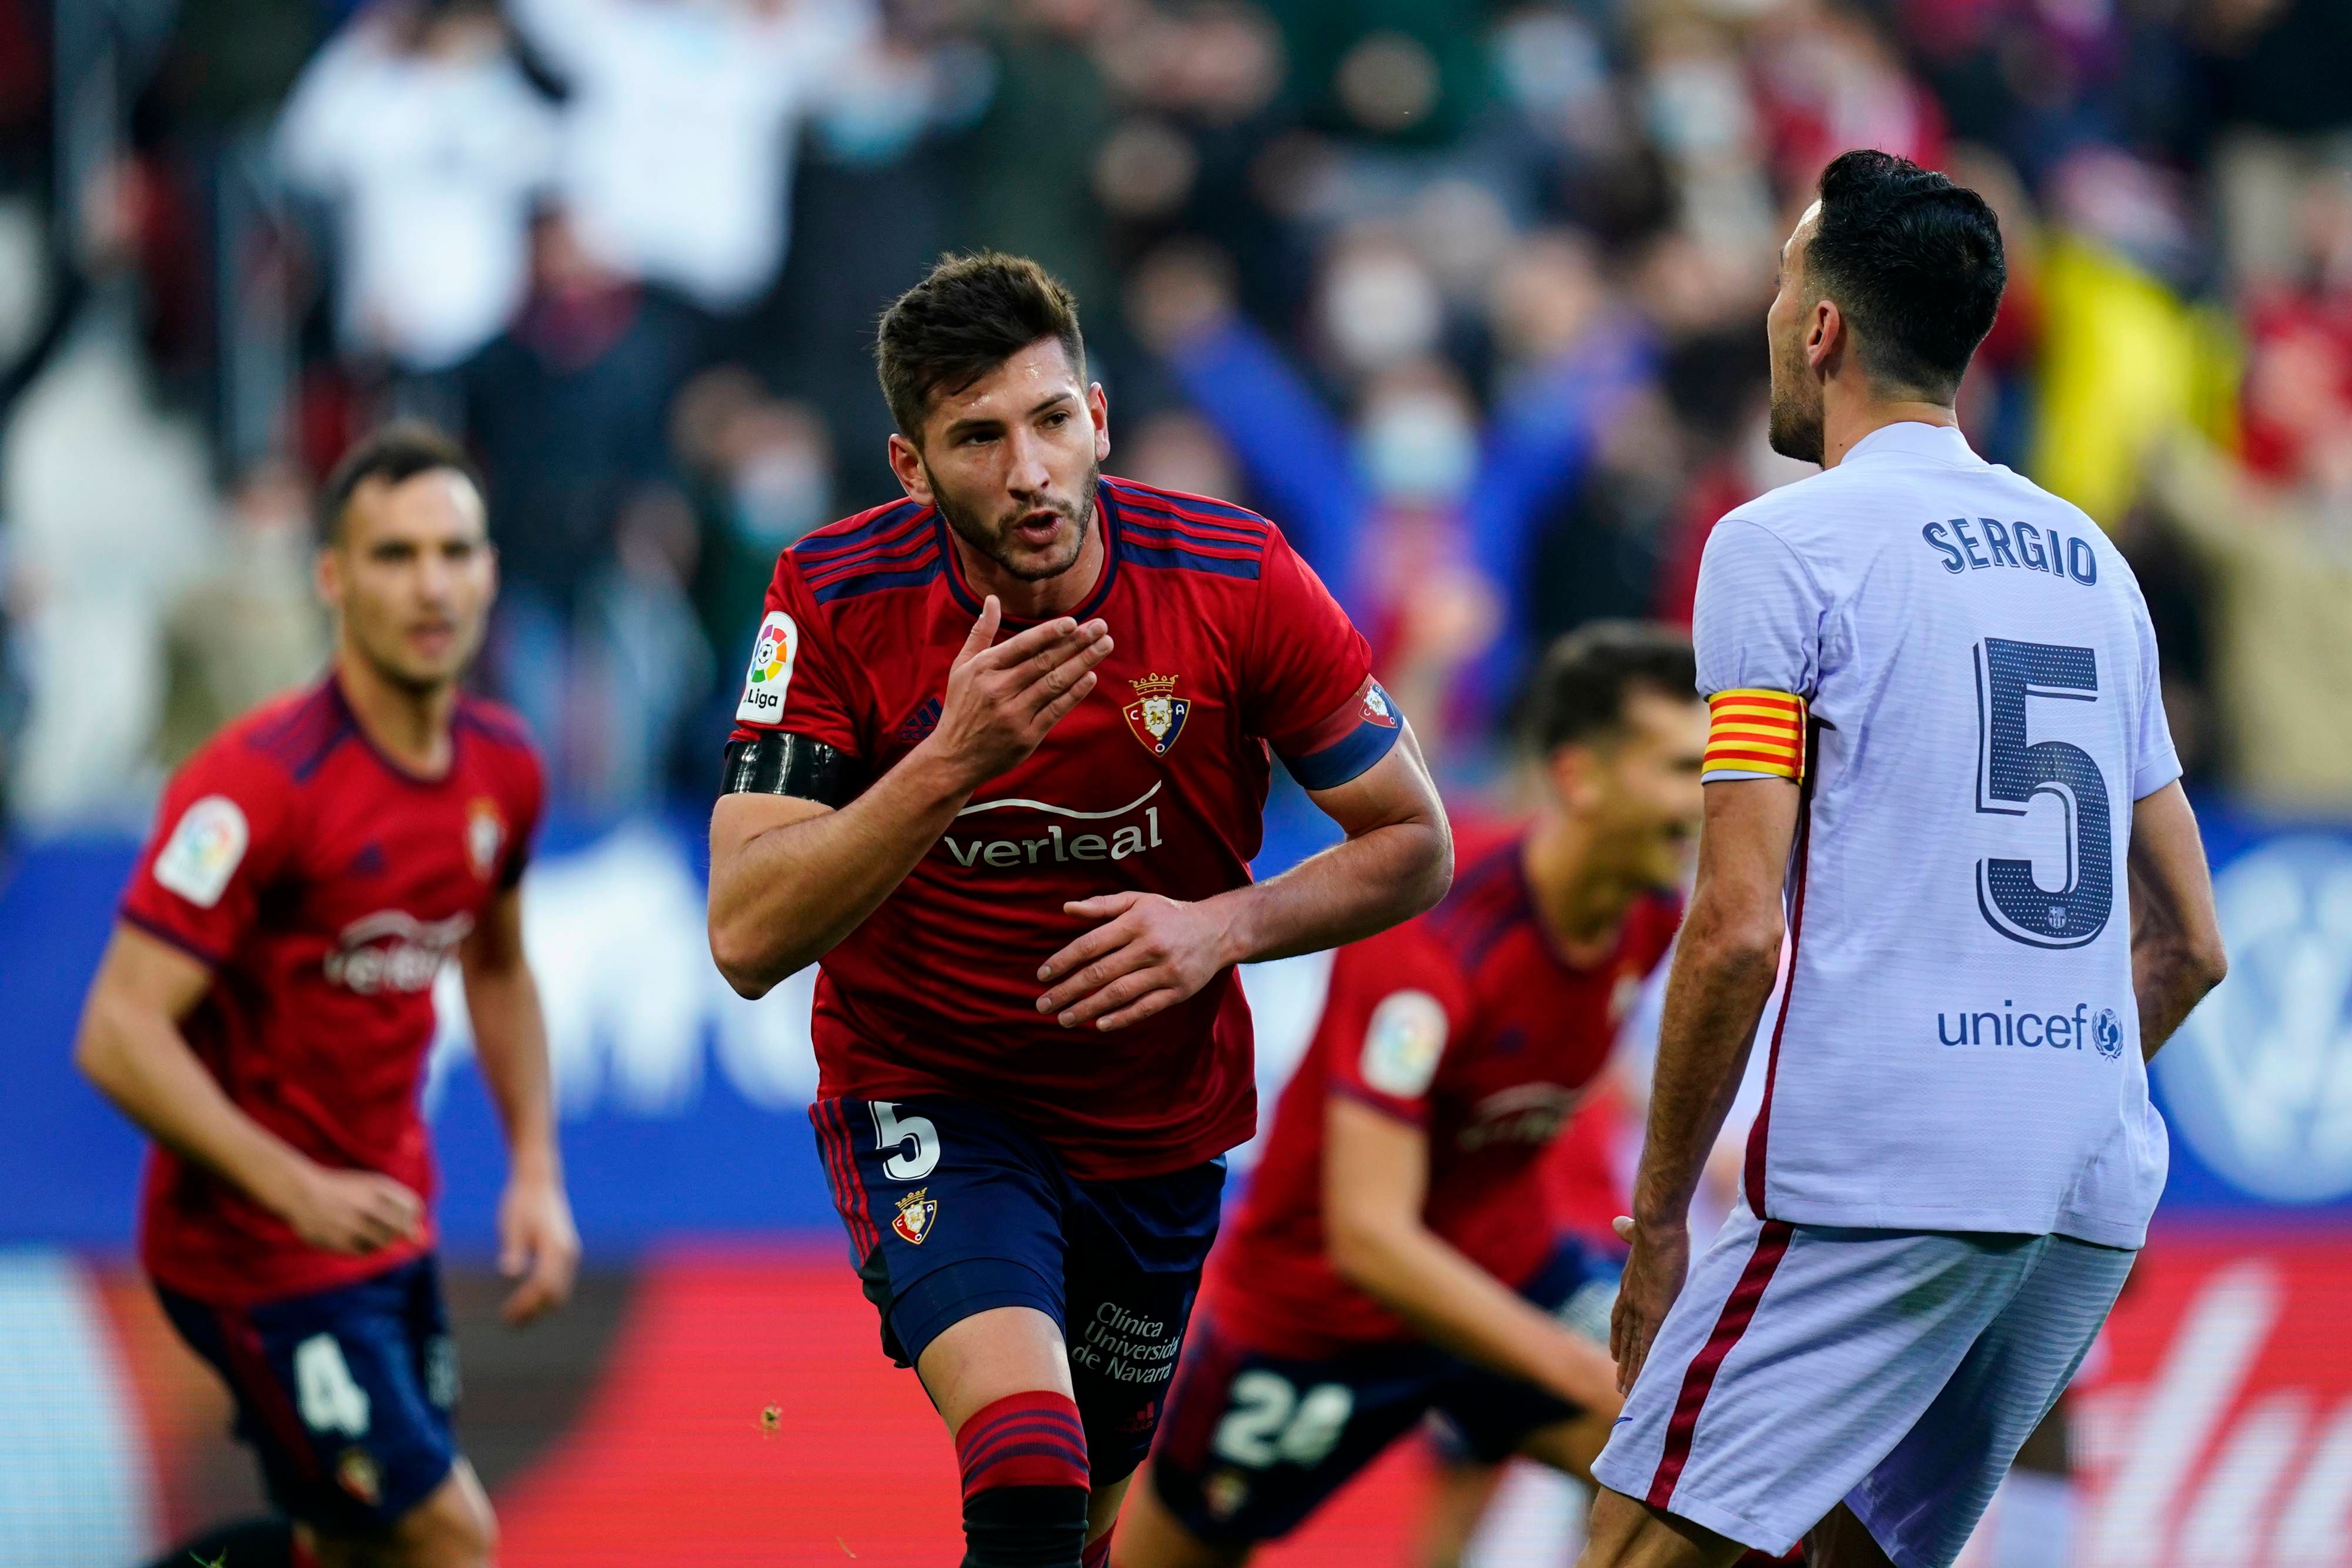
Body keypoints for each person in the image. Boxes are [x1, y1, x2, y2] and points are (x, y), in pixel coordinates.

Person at [704, 252, 1451, 1568]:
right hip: (933, 1092)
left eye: (1051, 421)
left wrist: (1221, 927)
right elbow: (747, 934)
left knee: (1080, 1525)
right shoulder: (831, 596)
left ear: (1098, 417)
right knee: (1028, 1460)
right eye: (977, 438)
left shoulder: (1235, 577)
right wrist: (948, 761)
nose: (1029, 471)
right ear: (910, 466)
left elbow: (1414, 842)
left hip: (1156, 1121)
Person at [1579, 150, 2230, 1568]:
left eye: (1778, 283)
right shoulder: (2090, 563)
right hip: (2085, 1185)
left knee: (1629, 1543)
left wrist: (1657, 1217)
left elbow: (1737, 926)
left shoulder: (1778, 547)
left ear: (1819, 327)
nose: (1768, 313)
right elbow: (2191, 941)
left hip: (1880, 1170)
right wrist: (2034, 1091)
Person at [75, 426, 579, 1568]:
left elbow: (497, 964)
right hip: (248, 1248)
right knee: (447, 1538)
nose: (431, 585)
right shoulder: (257, 785)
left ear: (490, 571)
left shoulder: (503, 766)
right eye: (395, 555)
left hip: (384, 1224)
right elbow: (117, 1030)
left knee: (357, 1550)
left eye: (454, 552)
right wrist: (291, 1186)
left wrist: (537, 1170)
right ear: (333, 577)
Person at [1115, 623, 1703, 1568]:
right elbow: (1369, 1235)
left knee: (1703, 1477)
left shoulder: (1654, 911)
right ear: (1581, 778)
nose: (1710, 795)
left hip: (1509, 1273)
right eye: (1681, 769)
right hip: (1322, 1317)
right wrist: (1573, 1367)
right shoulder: (1435, 944)